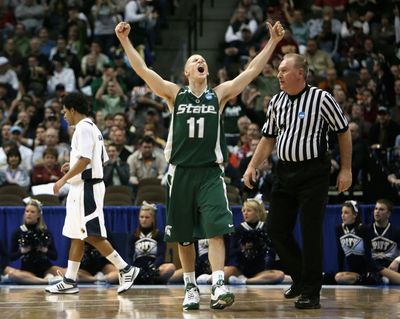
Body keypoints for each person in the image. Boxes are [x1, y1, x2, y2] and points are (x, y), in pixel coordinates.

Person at [115, 19, 285, 310]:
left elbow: (251, 71)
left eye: (203, 59)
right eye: (195, 60)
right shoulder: (173, 93)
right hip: (180, 172)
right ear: (186, 71)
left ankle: (218, 285)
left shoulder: (218, 95)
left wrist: (272, 42)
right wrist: (124, 41)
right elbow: (143, 70)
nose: (200, 61)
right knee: (184, 237)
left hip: (209, 172)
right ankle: (191, 286)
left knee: (216, 229)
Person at [243, 53, 352, 309]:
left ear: (300, 73)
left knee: (311, 231)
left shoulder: (322, 98)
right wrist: (251, 166)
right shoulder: (277, 101)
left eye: (283, 70)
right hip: (284, 171)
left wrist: (345, 168)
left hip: (314, 172)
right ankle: (302, 278)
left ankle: (311, 292)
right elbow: (268, 137)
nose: (278, 75)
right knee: (275, 229)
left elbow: (344, 131)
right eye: (278, 70)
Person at [45, 92, 140, 294]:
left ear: (72, 109)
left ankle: (126, 268)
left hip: (88, 187)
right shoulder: (92, 128)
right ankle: (70, 280)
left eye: (64, 111)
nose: (63, 116)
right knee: (76, 234)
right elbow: (100, 159)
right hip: (83, 186)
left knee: (91, 234)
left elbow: (86, 160)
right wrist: (71, 167)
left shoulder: (83, 129)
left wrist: (63, 179)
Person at [225, 197, 285, 285]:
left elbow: (272, 250)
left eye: (249, 211)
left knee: (280, 275)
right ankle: (207, 278)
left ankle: (245, 281)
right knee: (226, 271)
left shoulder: (266, 228)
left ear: (258, 212)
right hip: (241, 269)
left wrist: (261, 246)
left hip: (261, 270)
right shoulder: (239, 230)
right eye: (243, 211)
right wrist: (242, 249)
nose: (245, 213)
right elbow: (231, 252)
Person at [8, 199, 63, 284]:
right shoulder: (18, 232)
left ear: (38, 215)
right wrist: (21, 251)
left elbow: (55, 256)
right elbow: (11, 257)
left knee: (66, 272)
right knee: (13, 275)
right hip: (28, 271)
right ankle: (46, 280)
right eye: (27, 211)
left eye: (32, 212)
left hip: (46, 268)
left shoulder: (45, 232)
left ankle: (44, 278)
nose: (29, 214)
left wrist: (45, 250)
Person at [127, 201, 176, 284]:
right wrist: (134, 269)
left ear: (153, 219)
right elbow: (129, 256)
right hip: (138, 268)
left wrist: (153, 267)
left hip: (154, 268)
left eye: (147, 217)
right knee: (119, 270)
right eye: (141, 217)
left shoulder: (159, 235)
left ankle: (154, 279)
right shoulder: (133, 236)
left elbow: (161, 255)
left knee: (171, 267)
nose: (144, 220)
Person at [335, 200, 378, 285]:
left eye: (346, 213)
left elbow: (368, 252)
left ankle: (371, 278)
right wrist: (340, 270)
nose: (343, 216)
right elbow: (340, 252)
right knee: (337, 276)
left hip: (365, 269)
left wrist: (369, 271)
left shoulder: (363, 229)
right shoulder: (339, 229)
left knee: (340, 277)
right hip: (352, 271)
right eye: (342, 212)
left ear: (355, 215)